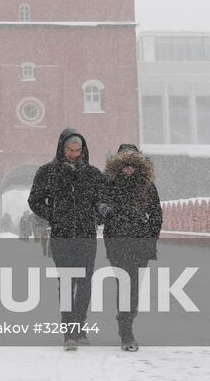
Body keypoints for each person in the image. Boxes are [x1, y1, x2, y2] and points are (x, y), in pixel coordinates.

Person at [27, 128, 103, 350]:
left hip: (86, 236)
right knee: (67, 281)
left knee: (85, 283)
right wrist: (54, 215)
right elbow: (34, 200)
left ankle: (80, 326)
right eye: (69, 149)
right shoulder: (47, 172)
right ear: (62, 148)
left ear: (83, 149)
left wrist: (95, 217)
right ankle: (69, 332)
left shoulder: (93, 174)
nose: (73, 154)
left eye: (77, 150)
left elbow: (105, 202)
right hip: (62, 236)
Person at [101, 143, 163, 352]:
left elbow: (156, 214)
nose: (128, 170)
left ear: (138, 166)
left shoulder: (147, 186)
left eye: (131, 166)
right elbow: (99, 210)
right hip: (117, 241)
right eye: (124, 165)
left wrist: (151, 236)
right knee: (124, 283)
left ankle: (128, 316)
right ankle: (126, 331)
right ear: (118, 166)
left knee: (134, 287)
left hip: (139, 242)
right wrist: (104, 211)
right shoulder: (109, 185)